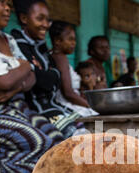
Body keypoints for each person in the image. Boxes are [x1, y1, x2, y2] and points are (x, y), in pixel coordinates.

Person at [0, 0, 64, 173]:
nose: (7, 9)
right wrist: (24, 67)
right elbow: (4, 82)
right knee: (38, 142)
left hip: (19, 106)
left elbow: (32, 78)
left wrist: (15, 87)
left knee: (57, 140)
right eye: (1, 2)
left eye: (9, 4)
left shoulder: (9, 40)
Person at [10, 0, 84, 138]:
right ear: (24, 18)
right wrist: (43, 74)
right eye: (40, 19)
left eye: (47, 20)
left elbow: (56, 78)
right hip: (34, 110)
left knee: (88, 125)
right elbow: (36, 81)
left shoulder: (40, 45)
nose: (45, 24)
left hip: (53, 105)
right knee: (74, 137)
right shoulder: (16, 43)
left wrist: (43, 73)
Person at [49, 21, 98, 117]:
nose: (74, 43)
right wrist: (90, 106)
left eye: (74, 40)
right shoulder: (60, 58)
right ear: (57, 41)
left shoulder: (54, 55)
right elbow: (68, 93)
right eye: (70, 39)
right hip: (67, 105)